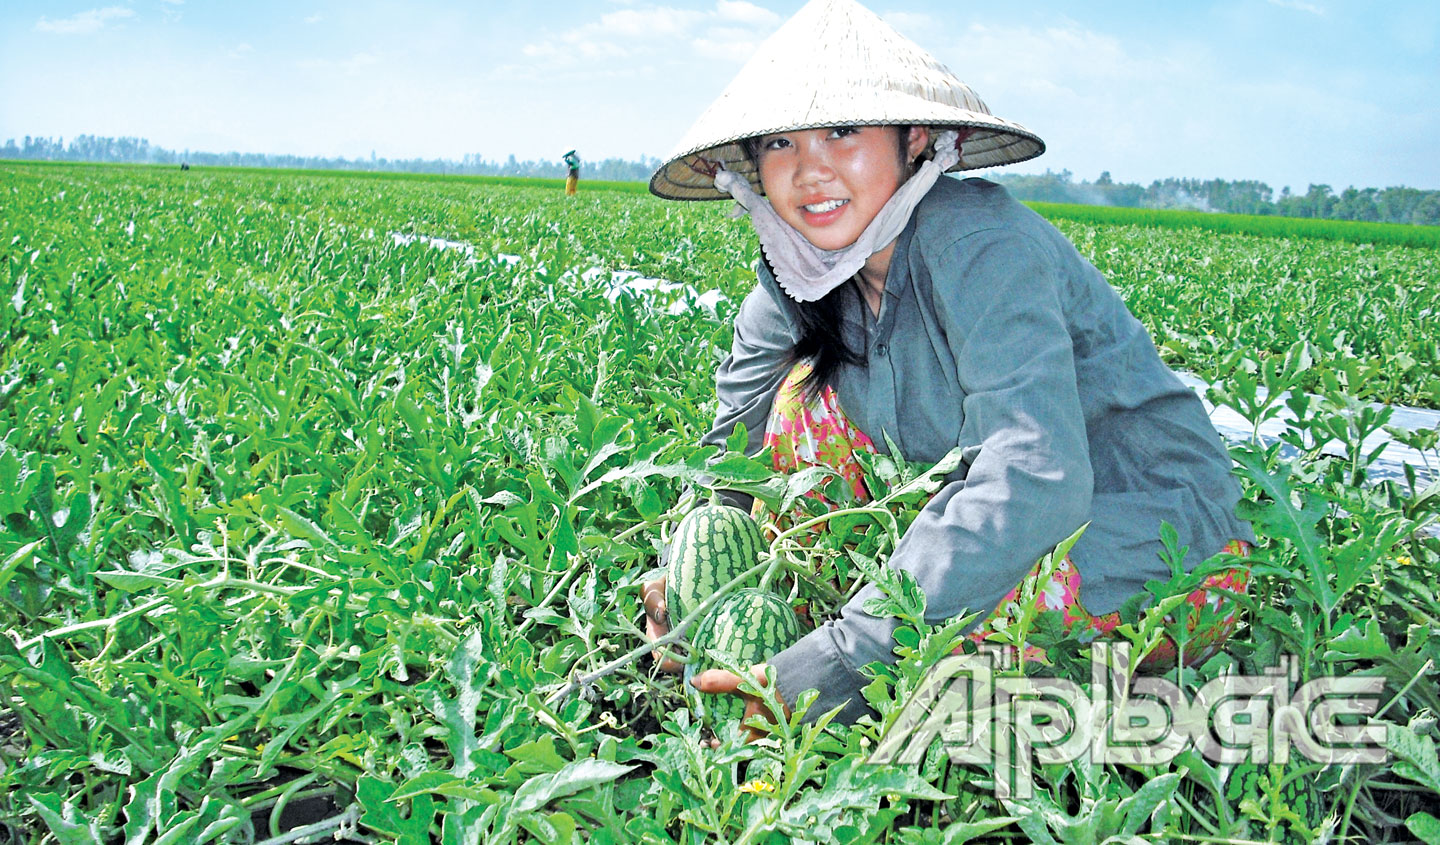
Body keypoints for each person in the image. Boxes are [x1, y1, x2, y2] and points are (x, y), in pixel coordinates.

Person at [641, 0, 1255, 733]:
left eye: (843, 131)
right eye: (780, 143)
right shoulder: (796, 275)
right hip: (1001, 514)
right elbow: (727, 459)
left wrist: (842, 660)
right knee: (797, 404)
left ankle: (910, 657)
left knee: (952, 633)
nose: (810, 170)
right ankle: (861, 622)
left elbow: (1034, 475)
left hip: (1149, 540)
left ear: (916, 138)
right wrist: (683, 584)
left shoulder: (980, 245)